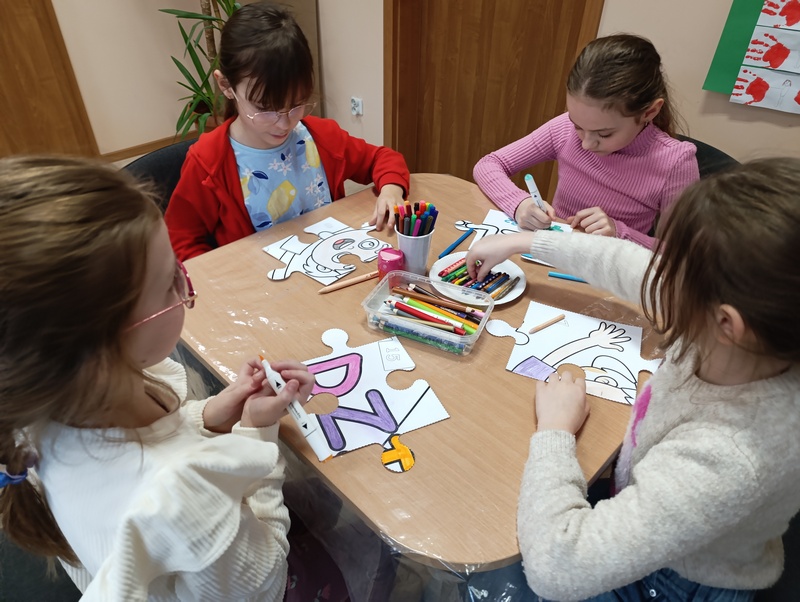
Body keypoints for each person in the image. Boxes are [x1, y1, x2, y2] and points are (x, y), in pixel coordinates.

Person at [0, 156, 346, 600]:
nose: (185, 282)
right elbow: (267, 583)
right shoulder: (182, 498)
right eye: (171, 281)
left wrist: (215, 415)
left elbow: (161, 438)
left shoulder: (41, 410)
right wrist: (257, 434)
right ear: (105, 350)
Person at [465, 157, 800, 601]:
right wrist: (524, 241)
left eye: (675, 269)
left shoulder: (730, 454)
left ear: (727, 323)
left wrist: (555, 433)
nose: (661, 276)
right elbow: (631, 264)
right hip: (651, 507)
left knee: (484, 568)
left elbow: (556, 566)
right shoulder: (752, 336)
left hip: (674, 580)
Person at [165, 2, 410, 261]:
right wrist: (224, 277)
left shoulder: (321, 137)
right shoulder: (208, 162)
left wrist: (391, 190)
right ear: (226, 85)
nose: (284, 124)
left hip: (329, 268)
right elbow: (180, 242)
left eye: (296, 105)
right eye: (265, 108)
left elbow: (382, 158)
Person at [473, 34, 699, 249]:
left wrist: (618, 233)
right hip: (550, 253)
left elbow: (682, 257)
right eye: (578, 126)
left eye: (604, 134)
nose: (586, 144)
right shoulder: (564, 128)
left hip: (608, 268)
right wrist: (519, 203)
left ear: (649, 112)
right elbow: (488, 164)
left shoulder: (675, 162)